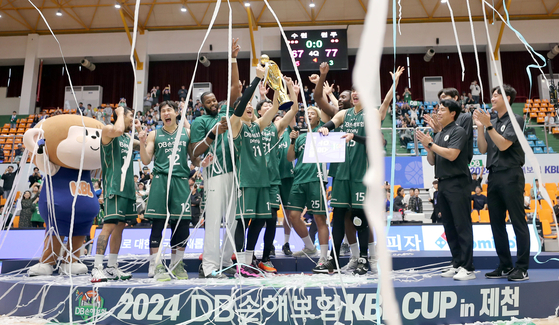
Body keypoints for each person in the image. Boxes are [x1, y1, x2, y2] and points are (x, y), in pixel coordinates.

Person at [189, 39, 241, 279]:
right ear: (202, 106)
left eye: (214, 100)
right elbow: (195, 152)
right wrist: (212, 134)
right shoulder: (201, 122)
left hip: (234, 173)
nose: (213, 103)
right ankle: (208, 267)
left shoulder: (226, 113)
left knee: (232, 221)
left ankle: (223, 262)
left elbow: (236, 88)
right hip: (214, 173)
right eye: (208, 101)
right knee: (213, 223)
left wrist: (233, 58)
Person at [474, 84, 530, 281]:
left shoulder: (516, 119)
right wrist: (481, 128)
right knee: (496, 223)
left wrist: (488, 125)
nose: (493, 97)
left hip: (511, 174)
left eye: (497, 94)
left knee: (517, 222)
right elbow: (482, 149)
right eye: (492, 94)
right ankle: (505, 265)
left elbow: (504, 145)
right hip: (494, 175)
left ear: (507, 98)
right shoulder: (493, 121)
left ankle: (522, 267)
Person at [228, 65, 278, 277]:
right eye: (245, 104)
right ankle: (239, 263)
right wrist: (256, 81)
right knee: (242, 220)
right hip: (246, 181)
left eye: (251, 104)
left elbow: (275, 110)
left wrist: (278, 88)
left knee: (258, 221)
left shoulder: (257, 126)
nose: (249, 106)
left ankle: (248, 262)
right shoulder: (235, 124)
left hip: (263, 182)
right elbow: (238, 109)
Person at [416, 99, 475, 281]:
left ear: (453, 114)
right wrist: (428, 147)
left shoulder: (459, 131)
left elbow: (452, 154)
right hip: (442, 184)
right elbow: (433, 161)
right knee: (449, 226)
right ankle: (456, 262)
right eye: (438, 109)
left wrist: (432, 144)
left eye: (442, 110)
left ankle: (468, 267)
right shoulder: (440, 134)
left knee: (461, 225)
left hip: (458, 184)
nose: (438, 113)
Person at [248, 78, 299, 273]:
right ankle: (247, 255)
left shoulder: (276, 129)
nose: (270, 106)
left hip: (271, 181)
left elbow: (293, 110)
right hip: (253, 180)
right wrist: (258, 94)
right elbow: (245, 109)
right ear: (259, 111)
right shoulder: (252, 124)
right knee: (252, 219)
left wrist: (288, 90)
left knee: (270, 219)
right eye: (265, 105)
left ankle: (266, 257)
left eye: (272, 105)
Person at [139, 100, 192, 281]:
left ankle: (177, 265)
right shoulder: (155, 134)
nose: (165, 113)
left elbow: (195, 156)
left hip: (180, 180)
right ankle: (156, 264)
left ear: (176, 113)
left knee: (182, 225)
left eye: (169, 110)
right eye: (162, 111)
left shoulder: (186, 132)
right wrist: (141, 142)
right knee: (158, 224)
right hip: (161, 180)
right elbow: (146, 160)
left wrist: (203, 164)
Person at [91, 106, 139, 283]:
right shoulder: (108, 130)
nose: (133, 119)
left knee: (120, 226)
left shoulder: (127, 137)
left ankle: (112, 267)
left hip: (127, 189)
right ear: (121, 115)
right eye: (131, 116)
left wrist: (140, 132)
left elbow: (143, 144)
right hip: (114, 186)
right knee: (109, 226)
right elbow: (118, 129)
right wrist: (119, 113)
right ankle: (97, 268)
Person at [286, 106, 329, 268]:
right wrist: (292, 141)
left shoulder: (323, 132)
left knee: (319, 219)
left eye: (312, 114)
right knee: (293, 216)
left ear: (318, 119)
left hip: (316, 180)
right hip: (299, 179)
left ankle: (324, 256)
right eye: (306, 114)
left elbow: (327, 113)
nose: (308, 115)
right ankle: (310, 247)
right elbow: (290, 157)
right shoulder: (301, 137)